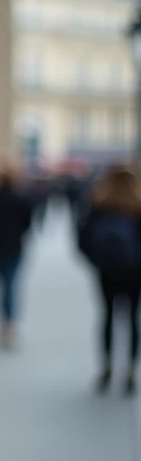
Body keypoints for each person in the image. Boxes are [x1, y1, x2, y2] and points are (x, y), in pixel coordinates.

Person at [76, 163, 141, 396]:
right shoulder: (137, 204)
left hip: (107, 270)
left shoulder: (99, 203)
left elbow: (83, 237)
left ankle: (106, 366)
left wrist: (96, 261)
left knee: (107, 316)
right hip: (135, 271)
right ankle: (131, 370)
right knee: (132, 318)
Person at [0, 156, 34, 348]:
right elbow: (28, 222)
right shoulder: (21, 196)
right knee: (11, 284)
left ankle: (5, 322)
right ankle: (9, 323)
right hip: (14, 246)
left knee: (2, 285)